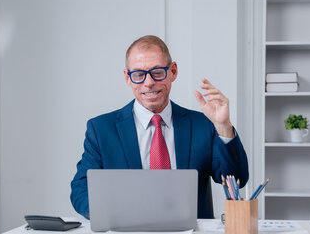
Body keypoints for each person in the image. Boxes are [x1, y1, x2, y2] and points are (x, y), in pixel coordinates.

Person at [70, 35, 249, 219]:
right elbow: (80, 187)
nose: (148, 83)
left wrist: (224, 127)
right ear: (127, 78)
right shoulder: (101, 130)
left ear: (173, 71)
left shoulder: (202, 124)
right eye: (138, 74)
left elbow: (237, 180)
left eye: (157, 72)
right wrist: (108, 215)